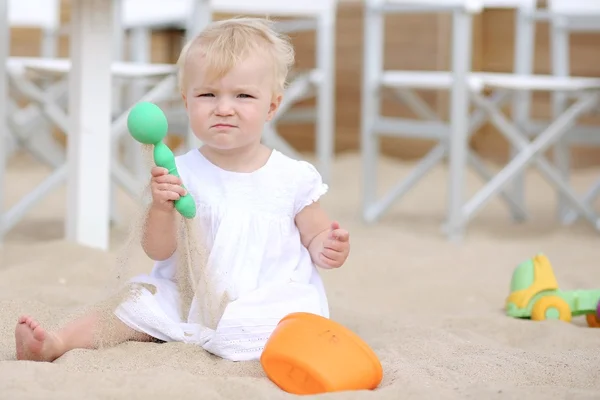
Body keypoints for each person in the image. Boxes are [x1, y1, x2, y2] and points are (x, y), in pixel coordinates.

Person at [14, 17, 350, 363]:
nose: (223, 108)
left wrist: (328, 245)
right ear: (187, 102)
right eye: (208, 94)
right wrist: (161, 208)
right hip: (190, 293)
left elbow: (316, 234)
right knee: (132, 303)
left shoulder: (291, 176)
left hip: (265, 296)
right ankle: (57, 341)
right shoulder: (180, 172)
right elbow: (158, 251)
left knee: (287, 324)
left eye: (243, 95)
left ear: (272, 106)